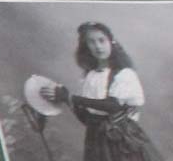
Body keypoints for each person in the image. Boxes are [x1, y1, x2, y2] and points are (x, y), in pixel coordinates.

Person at [32, 21, 163, 161]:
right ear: (86, 47)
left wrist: (71, 97)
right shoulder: (90, 77)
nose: (98, 46)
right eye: (91, 42)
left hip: (121, 140)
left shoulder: (124, 74)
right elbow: (87, 119)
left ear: (111, 41)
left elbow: (113, 106)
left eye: (102, 40)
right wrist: (66, 98)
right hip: (95, 141)